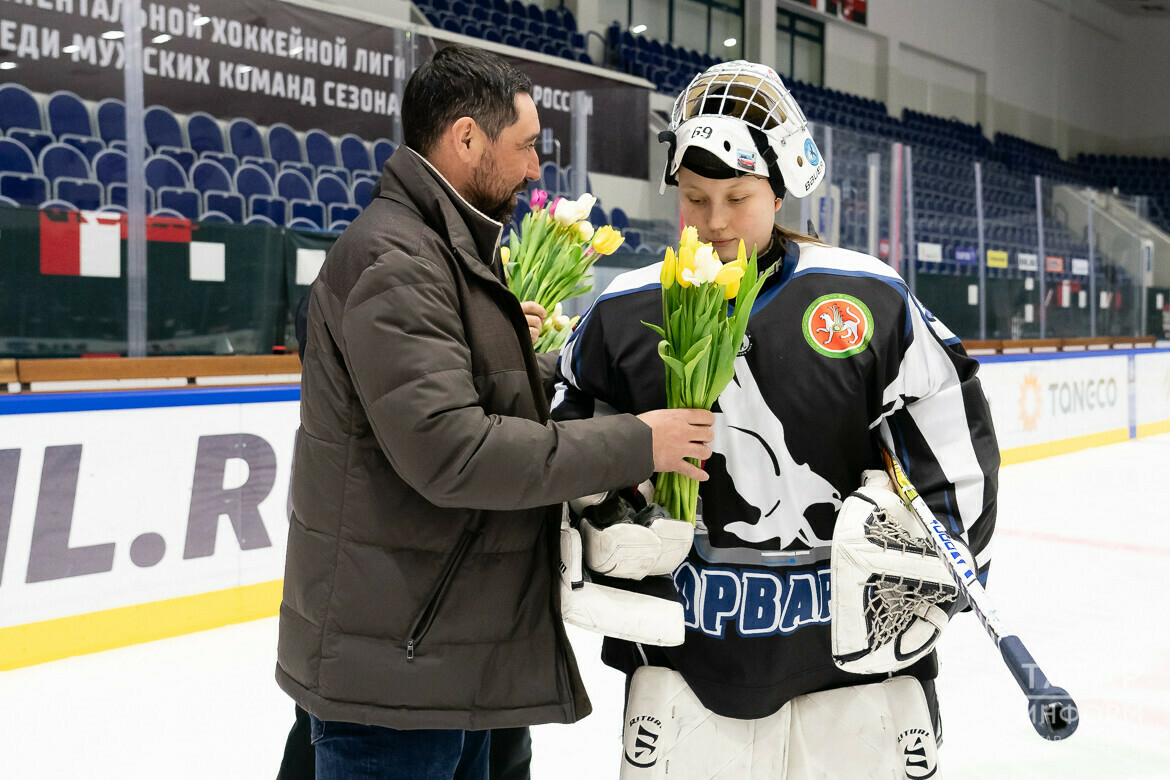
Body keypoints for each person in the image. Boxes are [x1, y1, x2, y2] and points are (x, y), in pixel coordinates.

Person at [275, 43, 715, 780]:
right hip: (401, 677)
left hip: (442, 659)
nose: (536, 168)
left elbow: (461, 393)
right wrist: (639, 442)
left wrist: (547, 365)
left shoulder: (442, 251)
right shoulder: (400, 262)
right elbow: (455, 452)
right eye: (526, 146)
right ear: (466, 138)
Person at [553, 61, 999, 778]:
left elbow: (951, 422)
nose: (715, 220)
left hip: (855, 668)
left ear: (779, 190)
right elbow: (568, 421)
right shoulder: (624, 309)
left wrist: (932, 544)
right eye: (694, 198)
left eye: (739, 196)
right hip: (687, 662)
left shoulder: (867, 296)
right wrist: (603, 508)